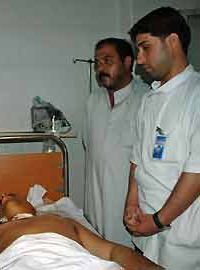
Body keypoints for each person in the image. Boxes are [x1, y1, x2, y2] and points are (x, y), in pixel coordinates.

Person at [123, 7, 200, 270]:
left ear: (173, 41)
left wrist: (158, 221)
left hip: (181, 236)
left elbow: (197, 172)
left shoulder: (196, 95)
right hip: (146, 232)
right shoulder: (148, 99)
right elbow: (137, 160)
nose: (140, 60)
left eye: (145, 48)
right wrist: (131, 204)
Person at [0, 194, 163, 270]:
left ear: (33, 206)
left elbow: (114, 252)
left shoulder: (60, 220)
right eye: (1, 200)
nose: (5, 196)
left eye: (14, 194)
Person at [83, 38, 149, 247]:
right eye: (97, 63)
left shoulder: (146, 99)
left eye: (108, 61)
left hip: (130, 206)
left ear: (128, 62)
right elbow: (89, 144)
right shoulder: (93, 100)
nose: (101, 68)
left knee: (127, 256)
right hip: (95, 202)